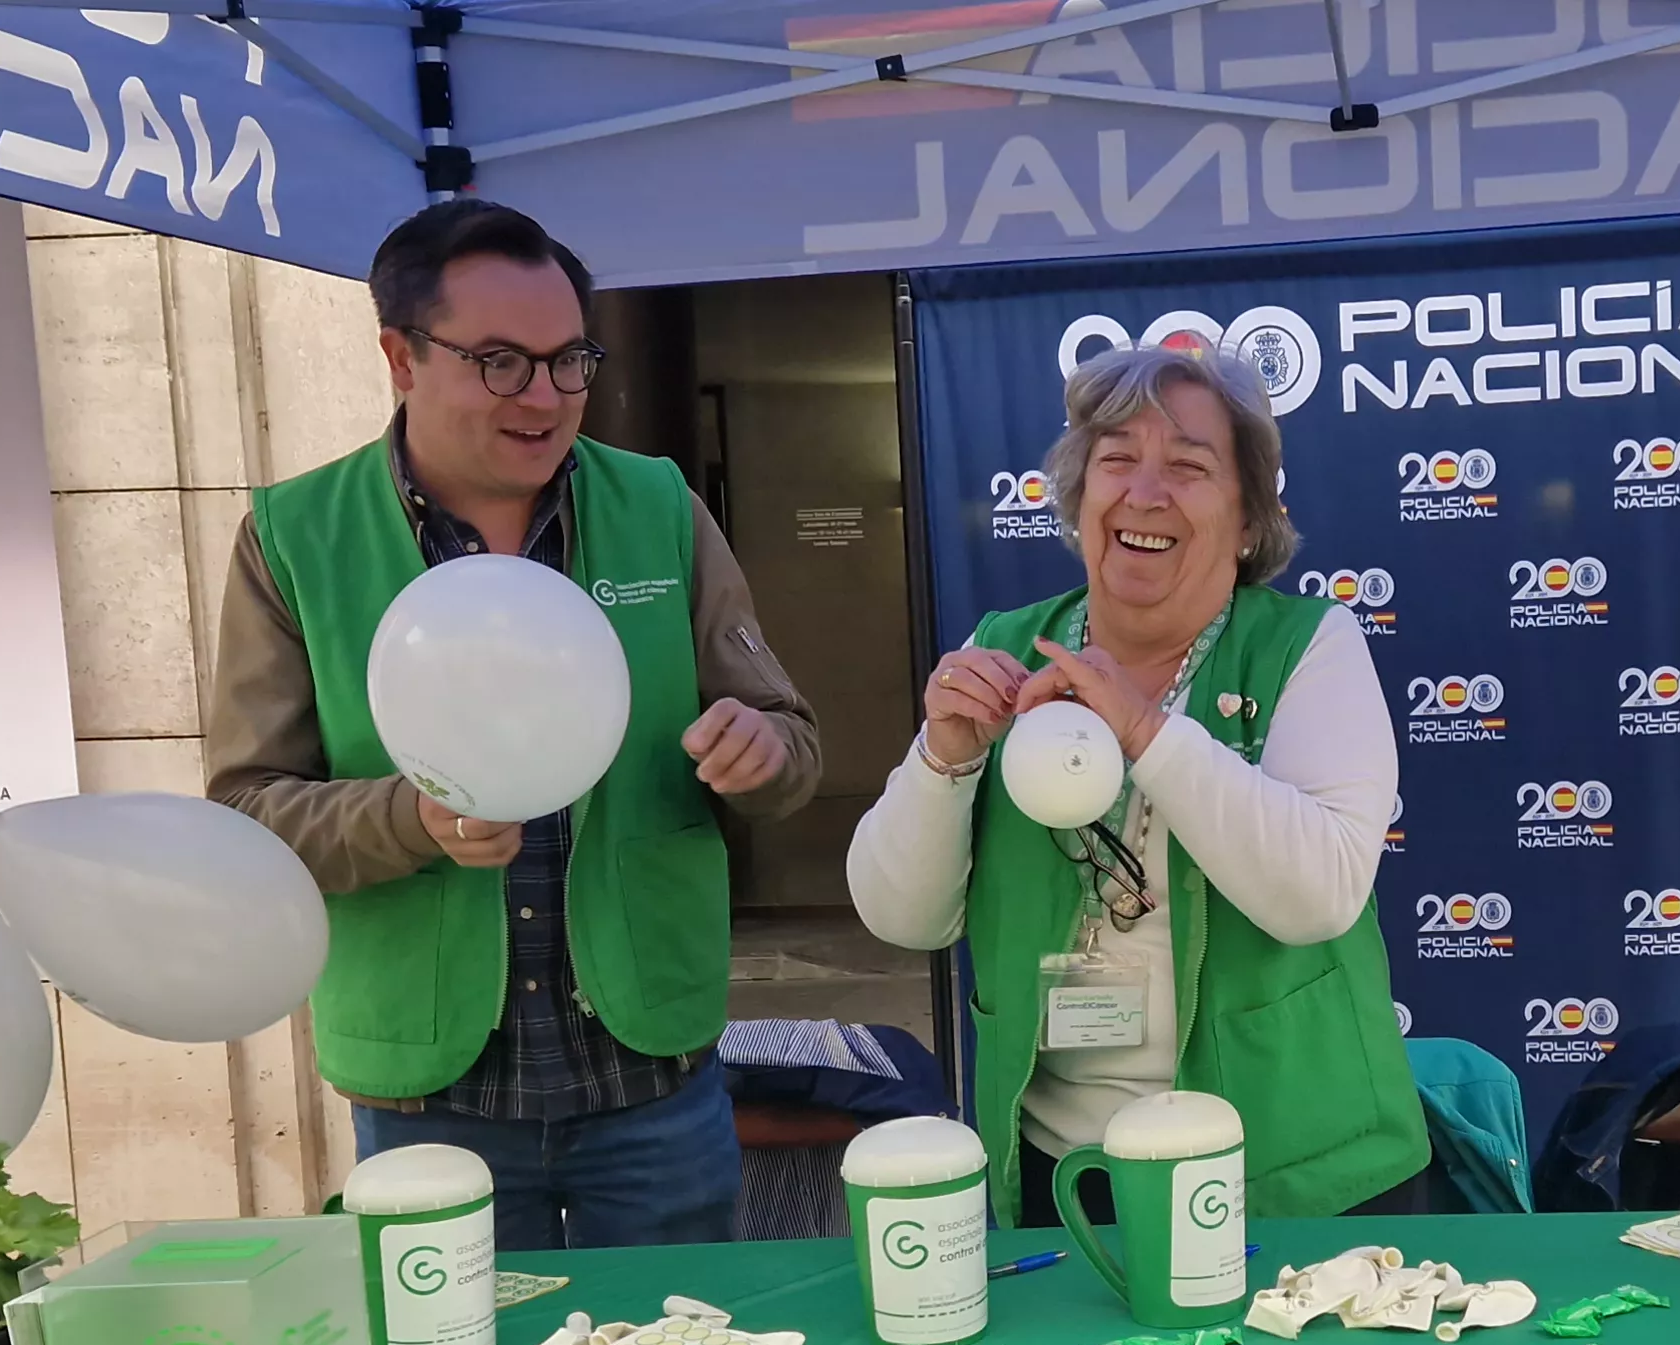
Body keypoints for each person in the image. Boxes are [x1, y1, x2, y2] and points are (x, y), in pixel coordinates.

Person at [208, 199, 820, 1250]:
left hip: (651, 1083)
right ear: (401, 357)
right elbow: (247, 815)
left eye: (568, 359)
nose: (545, 397)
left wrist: (761, 752)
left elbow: (791, 742)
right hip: (431, 1103)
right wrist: (409, 820)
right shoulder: (294, 538)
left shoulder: (658, 507)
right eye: (499, 362)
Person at [849, 342, 1425, 1227]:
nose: (1144, 494)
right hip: (1064, 1176)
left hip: (1288, 1177)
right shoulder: (1009, 642)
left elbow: (1319, 898)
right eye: (1116, 460)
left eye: (1188, 467)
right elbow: (902, 917)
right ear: (1080, 500)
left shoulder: (1311, 645)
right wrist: (946, 756)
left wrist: (1147, 731)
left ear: (1247, 520)